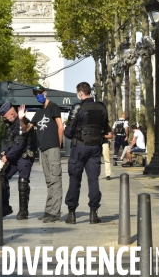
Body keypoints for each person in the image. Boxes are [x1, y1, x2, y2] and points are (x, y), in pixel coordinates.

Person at [63, 82, 112, 224]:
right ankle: (93, 214)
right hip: (96, 147)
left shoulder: (78, 108)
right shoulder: (102, 107)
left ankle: (71, 214)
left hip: (80, 147)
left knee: (75, 179)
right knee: (93, 180)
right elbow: (105, 129)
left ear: (80, 93)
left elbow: (68, 132)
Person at [19, 85, 64, 224]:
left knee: (55, 179)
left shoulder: (53, 107)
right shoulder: (38, 113)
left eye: (39, 93)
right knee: (49, 180)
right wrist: (21, 118)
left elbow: (60, 126)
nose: (38, 96)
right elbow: (27, 129)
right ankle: (49, 210)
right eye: (35, 94)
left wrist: (58, 145)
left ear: (45, 93)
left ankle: (55, 212)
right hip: (43, 149)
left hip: (53, 147)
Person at [0, 102, 35, 220]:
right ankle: (5, 206)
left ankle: (23, 211)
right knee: (2, 176)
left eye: (5, 117)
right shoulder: (11, 124)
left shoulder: (21, 123)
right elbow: (9, 141)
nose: (4, 119)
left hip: (24, 156)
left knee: (23, 182)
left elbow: (19, 144)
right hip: (14, 157)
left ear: (12, 114)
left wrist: (7, 156)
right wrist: (3, 151)